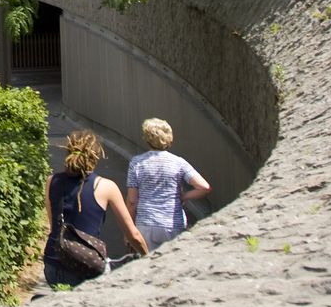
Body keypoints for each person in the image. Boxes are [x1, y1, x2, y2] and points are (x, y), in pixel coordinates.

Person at [43, 129, 148, 288]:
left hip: (53, 263)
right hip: (85, 263)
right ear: (96, 155)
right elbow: (133, 235)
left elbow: (54, 226)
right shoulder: (105, 186)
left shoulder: (52, 181)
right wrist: (148, 257)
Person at [126, 118, 211, 251]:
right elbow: (204, 187)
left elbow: (132, 201)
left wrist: (129, 230)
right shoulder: (178, 162)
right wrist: (183, 196)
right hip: (173, 223)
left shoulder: (136, 163)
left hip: (146, 222)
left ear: (147, 138)